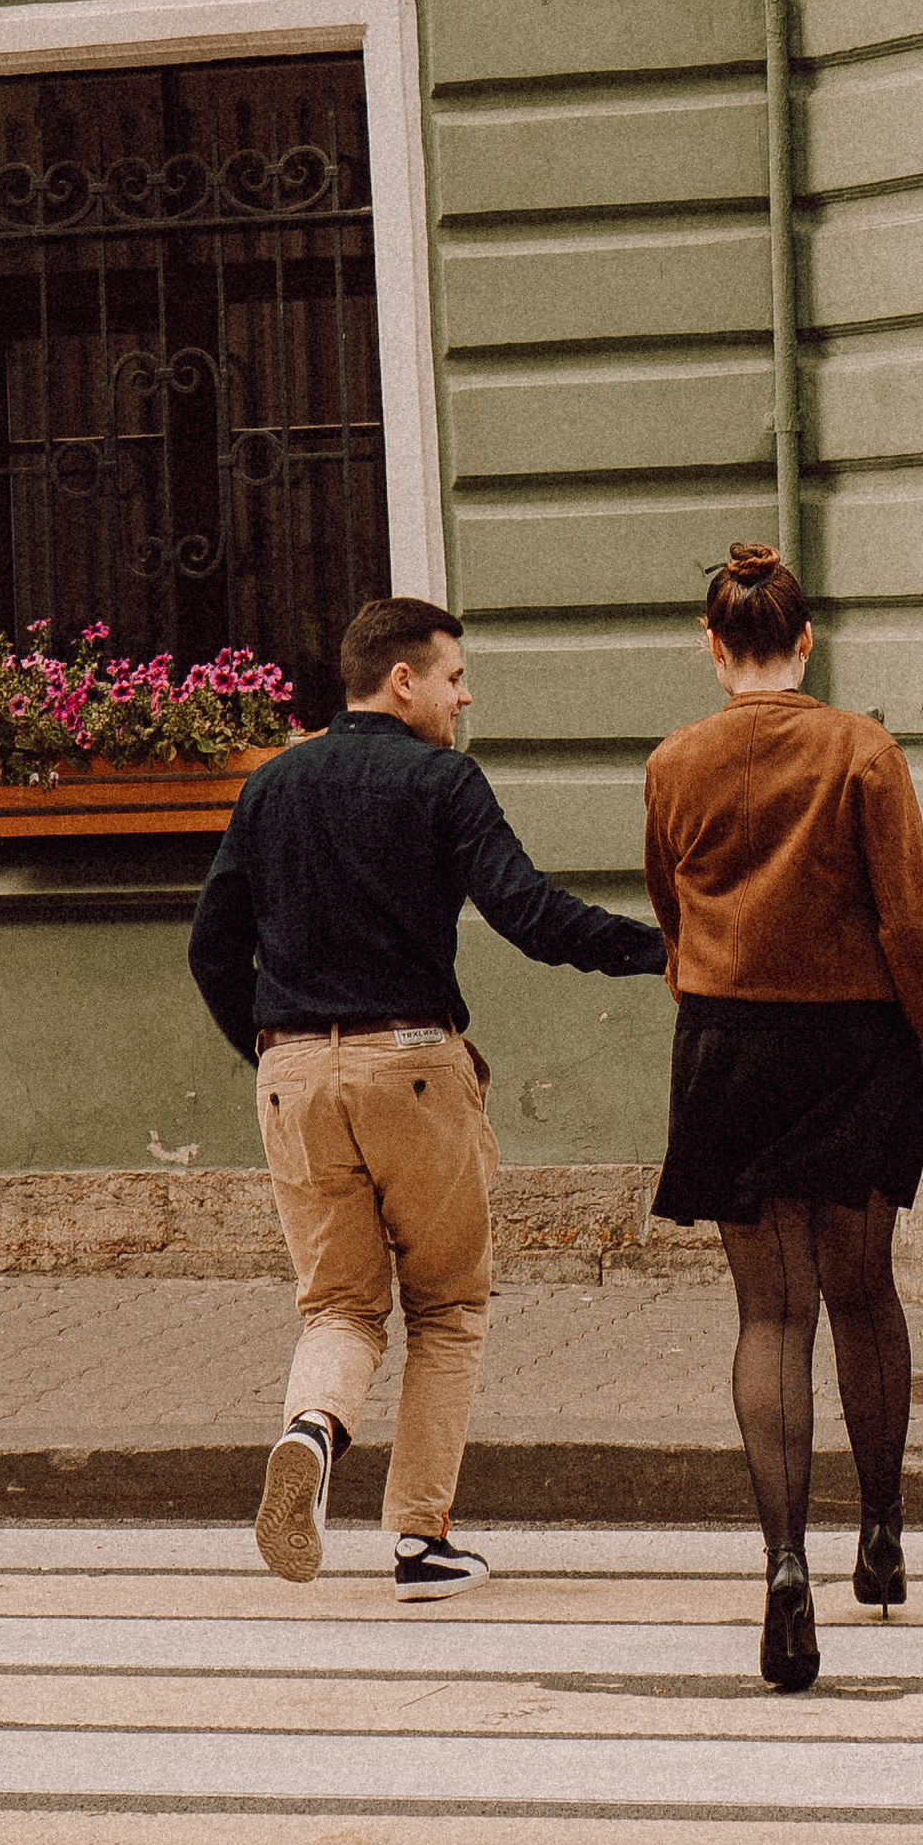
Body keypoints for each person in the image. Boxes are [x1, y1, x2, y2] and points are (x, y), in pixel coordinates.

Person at [189, 592, 668, 1600]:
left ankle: (312, 1433)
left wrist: (277, 1057)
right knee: (446, 1306)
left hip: (293, 1079)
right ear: (401, 680)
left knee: (337, 1307)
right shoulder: (443, 781)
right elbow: (531, 916)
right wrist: (668, 951)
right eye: (454, 677)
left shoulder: (270, 787)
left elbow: (210, 948)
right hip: (411, 1064)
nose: (465, 695)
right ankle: (418, 1540)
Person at [644, 543, 923, 1694]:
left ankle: (782, 1564)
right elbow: (910, 927)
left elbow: (669, 909)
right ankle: (882, 1534)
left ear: (713, 646)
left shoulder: (675, 762)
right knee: (863, 1293)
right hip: (853, 1048)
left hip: (730, 1047)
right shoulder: (861, 750)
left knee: (769, 1317)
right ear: (806, 641)